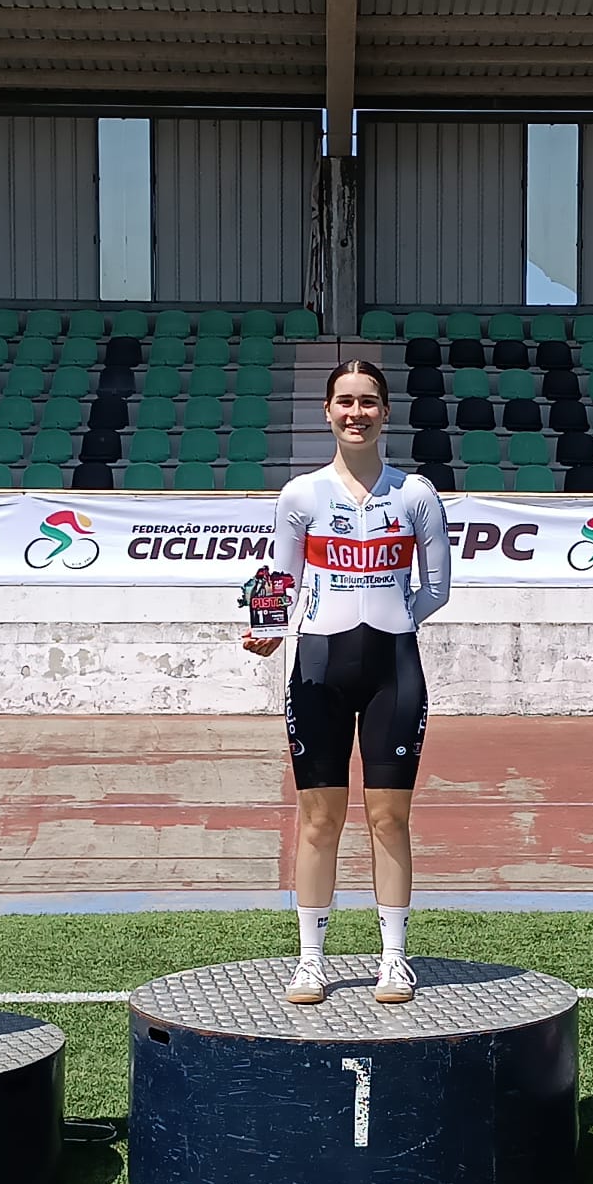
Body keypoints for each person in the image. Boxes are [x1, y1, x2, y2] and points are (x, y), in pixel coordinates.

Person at [243, 359, 452, 1006]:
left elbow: (437, 588)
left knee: (389, 818)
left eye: (368, 402)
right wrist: (270, 629)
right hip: (316, 668)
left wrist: (390, 622)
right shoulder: (300, 496)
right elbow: (280, 581)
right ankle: (311, 962)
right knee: (317, 819)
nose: (355, 413)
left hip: (394, 670)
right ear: (328, 412)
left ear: (386, 412)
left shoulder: (415, 494)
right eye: (344, 402)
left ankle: (394, 958)